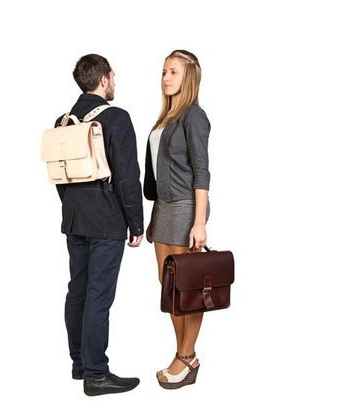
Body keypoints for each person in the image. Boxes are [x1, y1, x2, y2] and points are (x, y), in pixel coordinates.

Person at [53, 54, 144, 396]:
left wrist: (73, 206)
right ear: (103, 79)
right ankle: (96, 374)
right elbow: (127, 177)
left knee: (77, 290)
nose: (114, 82)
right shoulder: (116, 118)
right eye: (112, 76)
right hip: (107, 220)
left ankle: (79, 363)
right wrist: (136, 223)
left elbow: (60, 176)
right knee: (98, 295)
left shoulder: (63, 122)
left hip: (74, 218)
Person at [143, 50, 211, 389]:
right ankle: (184, 355)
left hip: (185, 208)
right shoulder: (165, 118)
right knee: (170, 288)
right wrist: (152, 215)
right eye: (164, 72)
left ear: (189, 77)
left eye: (173, 72)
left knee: (188, 288)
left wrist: (199, 222)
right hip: (163, 208)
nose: (166, 78)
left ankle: (186, 357)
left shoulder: (194, 116)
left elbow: (202, 171)